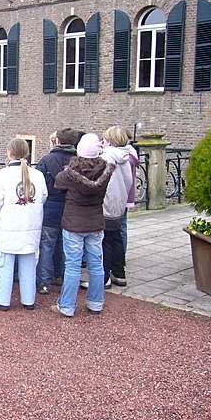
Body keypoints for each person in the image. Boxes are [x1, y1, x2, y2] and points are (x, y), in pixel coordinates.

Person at [52, 133, 115, 317]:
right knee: (96, 264)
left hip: (74, 222)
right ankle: (96, 302)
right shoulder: (106, 171)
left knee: (72, 265)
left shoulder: (70, 174)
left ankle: (67, 305)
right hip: (95, 221)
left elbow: (58, 182)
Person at [0, 139, 47, 311]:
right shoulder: (38, 175)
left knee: (4, 265)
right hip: (31, 225)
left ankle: (2, 300)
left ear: (8, 153)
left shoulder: (1, 175)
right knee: (29, 264)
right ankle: (29, 300)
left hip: (9, 226)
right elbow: (43, 197)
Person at [34, 128, 79, 294]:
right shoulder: (79, 161)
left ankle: (44, 283)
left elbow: (38, 185)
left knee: (47, 245)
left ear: (57, 141)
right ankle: (63, 277)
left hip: (51, 207)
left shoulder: (46, 160)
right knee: (67, 245)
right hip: (72, 207)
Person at [100, 126, 134, 287]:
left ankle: (104, 277)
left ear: (111, 141)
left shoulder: (108, 157)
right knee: (116, 238)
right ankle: (119, 273)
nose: (102, 142)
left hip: (107, 204)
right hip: (119, 203)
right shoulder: (125, 157)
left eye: (105, 139)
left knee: (104, 240)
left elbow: (102, 182)